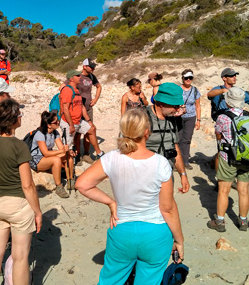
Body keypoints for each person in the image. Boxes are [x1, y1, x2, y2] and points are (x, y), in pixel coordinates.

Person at [75, 109, 184, 285]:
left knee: (111, 280)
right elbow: (167, 208)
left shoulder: (111, 158)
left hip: (122, 229)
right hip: (155, 232)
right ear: (147, 131)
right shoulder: (160, 163)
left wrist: (110, 202)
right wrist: (179, 240)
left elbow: (82, 184)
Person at [0, 99, 42, 285]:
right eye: (19, 114)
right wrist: (37, 212)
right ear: (13, 120)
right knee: (20, 257)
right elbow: (27, 185)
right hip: (18, 206)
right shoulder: (19, 146)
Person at [207, 67, 249, 171]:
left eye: (235, 75)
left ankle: (231, 172)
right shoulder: (218, 89)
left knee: (236, 148)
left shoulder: (238, 91)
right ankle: (219, 178)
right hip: (223, 122)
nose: (234, 77)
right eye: (231, 76)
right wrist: (223, 91)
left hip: (236, 124)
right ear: (224, 78)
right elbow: (209, 95)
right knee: (221, 150)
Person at [207, 87, 249, 232]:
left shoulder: (223, 117)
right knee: (244, 190)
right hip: (247, 158)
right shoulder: (248, 116)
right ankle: (243, 221)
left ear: (228, 102)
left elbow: (218, 135)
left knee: (223, 190)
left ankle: (220, 221)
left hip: (228, 157)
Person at [145, 83, 190, 193]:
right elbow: (126, 149)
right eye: (174, 106)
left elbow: (175, 147)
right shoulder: (141, 117)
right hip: (145, 178)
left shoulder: (172, 119)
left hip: (166, 176)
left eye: (178, 105)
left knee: (167, 208)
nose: (177, 109)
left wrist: (183, 174)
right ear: (161, 104)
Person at [60, 70, 104, 162]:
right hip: (69, 123)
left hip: (78, 121)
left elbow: (82, 106)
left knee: (92, 129)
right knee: (66, 147)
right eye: (77, 76)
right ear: (71, 79)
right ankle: (64, 165)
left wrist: (89, 121)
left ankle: (99, 153)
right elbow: (65, 109)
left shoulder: (77, 90)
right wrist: (71, 125)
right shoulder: (67, 90)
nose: (80, 77)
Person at [30, 111, 75, 198]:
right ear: (49, 125)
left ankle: (70, 180)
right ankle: (59, 186)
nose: (58, 122)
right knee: (56, 159)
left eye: (58, 120)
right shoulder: (40, 134)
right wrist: (62, 151)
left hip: (47, 158)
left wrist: (68, 151)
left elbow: (61, 148)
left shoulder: (55, 133)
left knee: (68, 156)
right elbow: (46, 153)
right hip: (37, 160)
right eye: (55, 122)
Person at [74, 58, 102, 164]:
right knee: (77, 133)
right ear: (84, 66)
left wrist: (95, 99)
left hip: (88, 109)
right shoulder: (76, 75)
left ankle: (86, 154)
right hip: (77, 109)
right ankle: (77, 154)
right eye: (91, 66)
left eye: (94, 67)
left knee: (88, 132)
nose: (93, 68)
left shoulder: (91, 76)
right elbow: (64, 87)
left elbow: (99, 87)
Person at [178, 69, 201, 170]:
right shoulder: (177, 89)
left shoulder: (195, 90)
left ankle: (185, 160)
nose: (188, 80)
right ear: (182, 78)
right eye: (186, 78)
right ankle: (177, 161)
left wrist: (199, 120)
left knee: (187, 139)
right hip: (178, 117)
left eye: (190, 78)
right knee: (178, 139)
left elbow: (198, 106)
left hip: (190, 117)